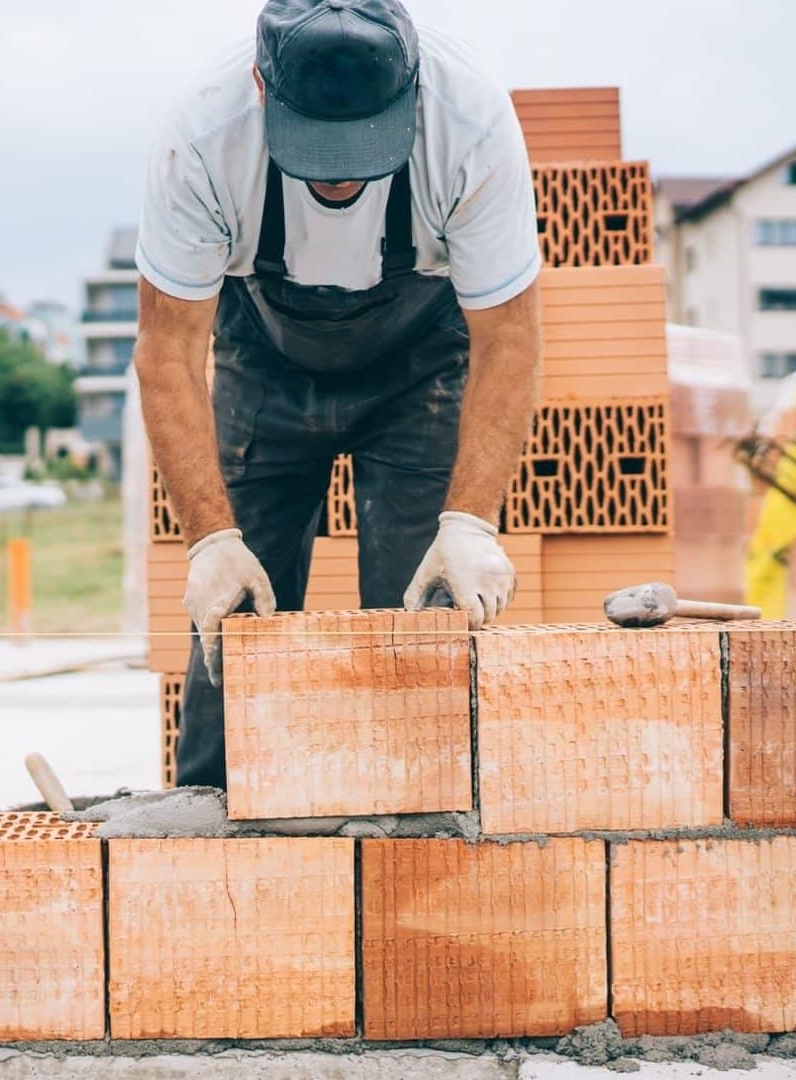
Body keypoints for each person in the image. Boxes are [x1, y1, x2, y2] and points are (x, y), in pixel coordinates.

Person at [134, 0, 541, 789]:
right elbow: (169, 349)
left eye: (364, 146)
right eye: (317, 148)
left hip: (420, 365)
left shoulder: (472, 121)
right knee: (233, 631)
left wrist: (470, 524)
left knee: (419, 631)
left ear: (413, 92)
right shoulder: (201, 135)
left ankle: (418, 837)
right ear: (261, 87)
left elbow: (510, 339)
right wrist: (210, 541)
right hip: (264, 358)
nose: (341, 173)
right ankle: (213, 829)